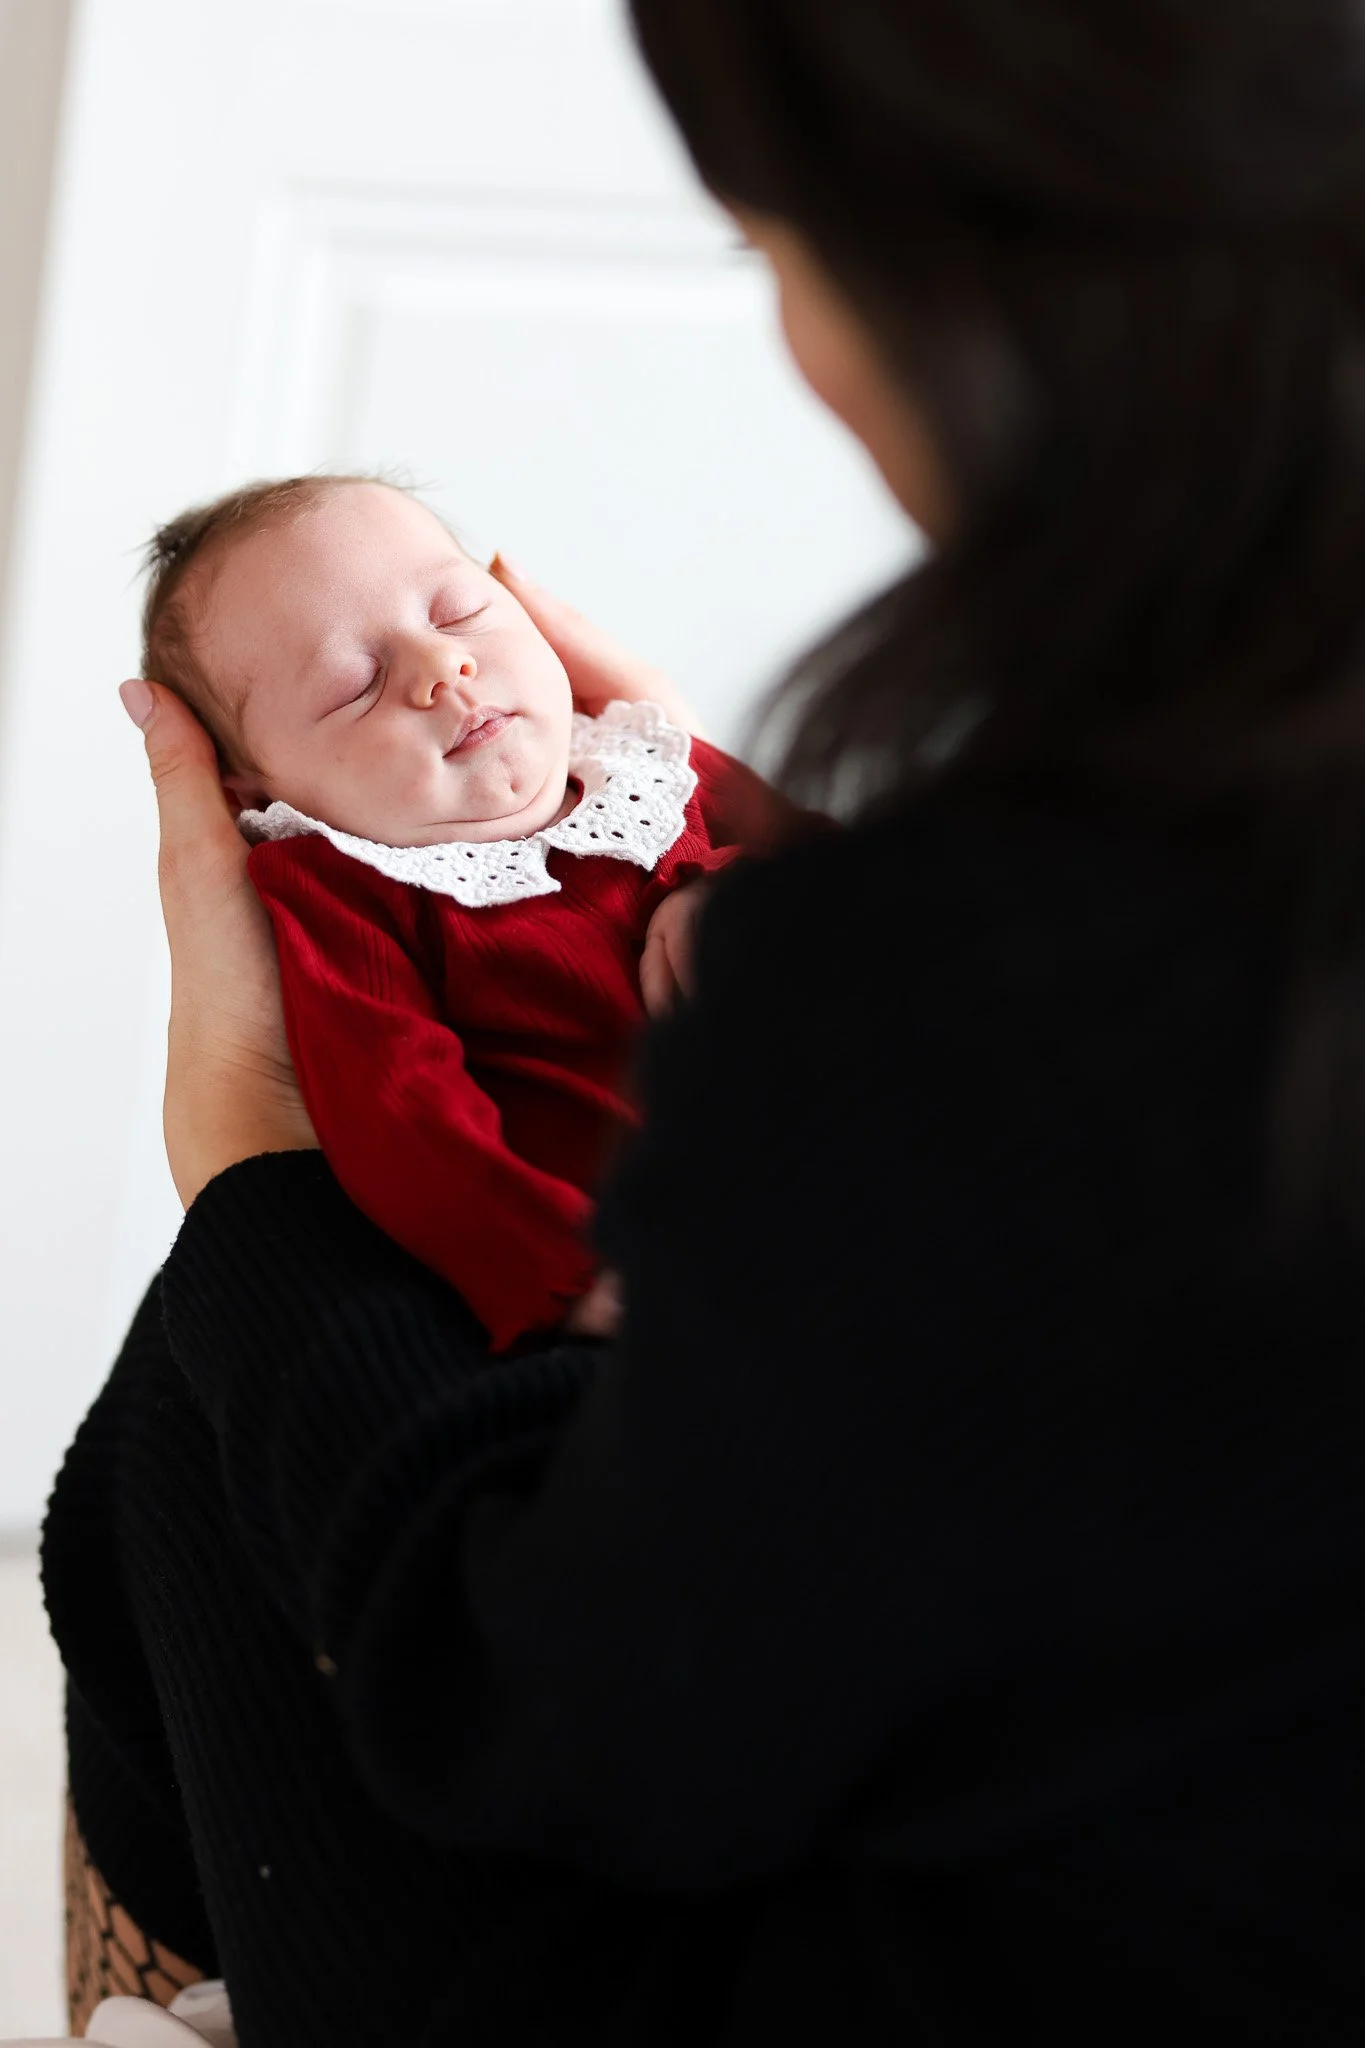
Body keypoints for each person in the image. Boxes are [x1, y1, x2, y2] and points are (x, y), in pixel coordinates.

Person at [40, 0, 1365, 2042]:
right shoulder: (1139, 871)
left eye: (769, 248)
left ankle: (157, 1970)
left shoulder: (972, 944)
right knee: (177, 1414)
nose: (439, 680)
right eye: (339, 687)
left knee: (198, 1394)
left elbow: (594, 1735)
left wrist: (245, 1175)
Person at [137, 474, 766, 1346]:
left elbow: (864, 880)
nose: (442, 668)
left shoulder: (652, 761)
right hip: (660, 1268)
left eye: (459, 610)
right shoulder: (350, 894)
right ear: (253, 791)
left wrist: (739, 889)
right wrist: (556, 1271)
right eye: (354, 685)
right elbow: (401, 1117)